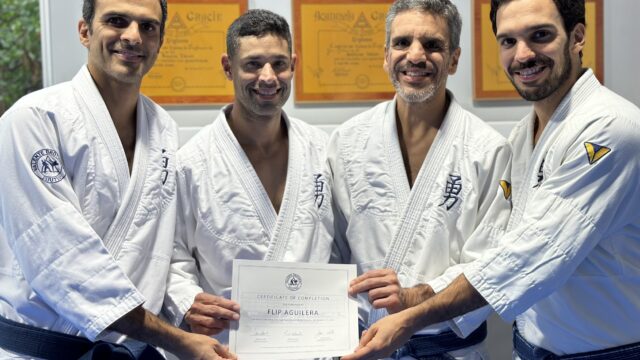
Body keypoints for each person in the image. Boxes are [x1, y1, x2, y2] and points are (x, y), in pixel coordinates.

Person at [342, 0, 640, 359]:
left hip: (608, 352)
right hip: (531, 348)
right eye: (508, 41)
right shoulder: (522, 138)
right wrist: (406, 299)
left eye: (540, 35)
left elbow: (530, 255)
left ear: (577, 36)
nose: (523, 55)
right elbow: (498, 246)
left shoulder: (612, 128)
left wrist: (411, 314)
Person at [0, 0, 234, 359]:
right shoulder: (34, 120)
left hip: (131, 348)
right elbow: (60, 256)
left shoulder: (163, 131)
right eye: (117, 21)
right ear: (85, 31)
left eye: (148, 26)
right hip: (46, 349)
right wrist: (175, 339)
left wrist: (188, 302)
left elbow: (157, 248)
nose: (133, 36)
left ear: (160, 41)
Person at [327, 0, 512, 358]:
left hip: (449, 349)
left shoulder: (489, 149)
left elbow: (492, 263)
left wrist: (414, 297)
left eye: (432, 45)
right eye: (401, 43)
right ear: (385, 55)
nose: (415, 55)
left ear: (454, 59)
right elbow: (331, 250)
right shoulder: (347, 141)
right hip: (363, 347)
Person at [163, 9, 333, 345]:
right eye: (253, 64)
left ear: (294, 65)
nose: (268, 77)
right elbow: (172, 254)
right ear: (228, 67)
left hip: (315, 342)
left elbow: (341, 246)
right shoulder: (192, 162)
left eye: (279, 64)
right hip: (230, 343)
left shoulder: (324, 151)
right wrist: (188, 302)